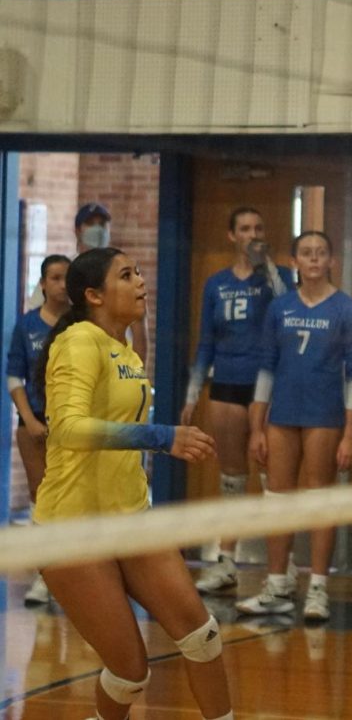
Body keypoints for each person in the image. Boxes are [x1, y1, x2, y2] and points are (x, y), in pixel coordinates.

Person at [35, 248, 233, 720]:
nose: (141, 281)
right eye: (127, 275)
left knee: (202, 636)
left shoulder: (125, 351)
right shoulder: (79, 341)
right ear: (94, 295)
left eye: (140, 272)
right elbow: (68, 429)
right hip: (72, 528)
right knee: (129, 672)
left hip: (130, 518)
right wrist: (163, 437)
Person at [236, 230, 352, 623]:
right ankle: (277, 584)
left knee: (319, 501)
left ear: (331, 262)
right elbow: (266, 368)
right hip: (282, 415)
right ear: (295, 261)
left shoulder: (346, 309)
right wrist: (257, 426)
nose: (313, 259)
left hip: (324, 415)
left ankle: (319, 589)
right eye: (306, 253)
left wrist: (351, 433)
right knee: (278, 500)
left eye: (321, 253)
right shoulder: (280, 308)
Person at [184, 207, 292, 595]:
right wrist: (193, 392)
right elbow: (206, 342)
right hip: (226, 384)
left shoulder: (277, 279)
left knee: (271, 476)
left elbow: (288, 310)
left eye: (259, 227)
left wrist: (269, 269)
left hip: (266, 385)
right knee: (231, 477)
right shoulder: (216, 284)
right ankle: (226, 560)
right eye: (245, 228)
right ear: (232, 235)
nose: (252, 234)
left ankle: (285, 567)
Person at [7, 253, 70, 605]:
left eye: (67, 278)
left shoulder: (81, 324)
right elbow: (14, 374)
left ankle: (74, 573)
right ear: (43, 283)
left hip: (73, 425)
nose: (62, 285)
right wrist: (29, 419)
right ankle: (45, 576)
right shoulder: (27, 325)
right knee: (41, 497)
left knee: (71, 499)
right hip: (35, 422)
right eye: (56, 278)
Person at [75, 202, 149, 363]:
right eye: (90, 224)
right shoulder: (66, 272)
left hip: (117, 364)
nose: (97, 229)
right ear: (78, 230)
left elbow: (138, 324)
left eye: (102, 224)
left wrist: (137, 374)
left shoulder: (125, 272)